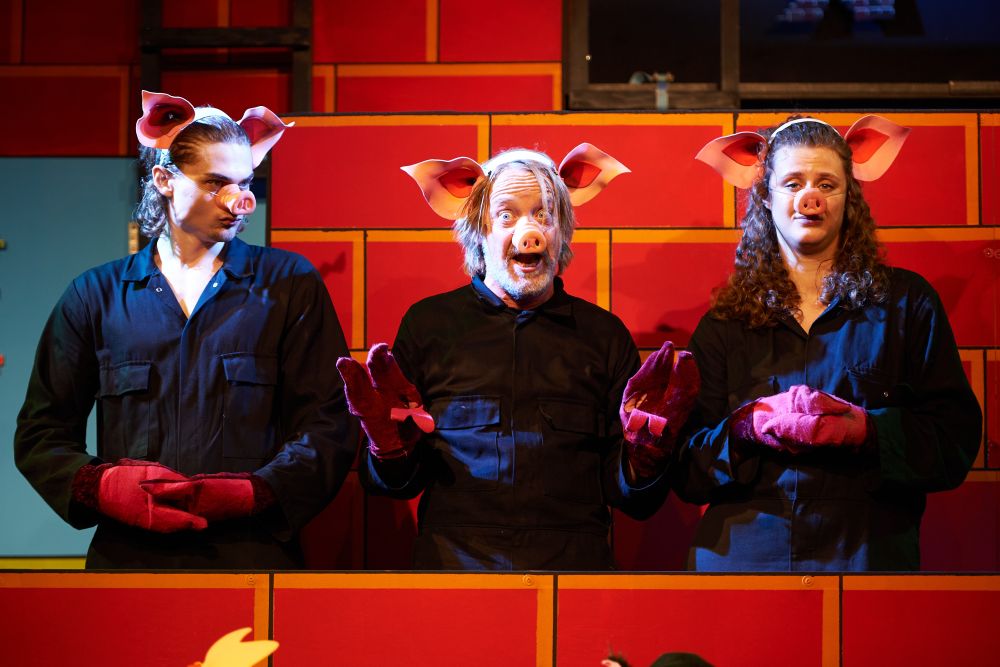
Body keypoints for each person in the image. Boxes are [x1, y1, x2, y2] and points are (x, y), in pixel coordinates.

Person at [14, 90, 358, 569]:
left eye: (245, 183)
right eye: (216, 183)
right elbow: (41, 435)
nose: (239, 202)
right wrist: (103, 487)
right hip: (129, 560)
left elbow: (330, 424)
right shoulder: (95, 295)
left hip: (250, 558)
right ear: (165, 180)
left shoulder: (288, 284)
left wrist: (255, 493)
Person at [336, 144, 699, 570]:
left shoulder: (604, 337)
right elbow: (394, 486)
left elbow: (636, 502)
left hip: (573, 574)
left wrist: (646, 457)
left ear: (562, 231)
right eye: (507, 216)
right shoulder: (428, 326)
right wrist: (389, 447)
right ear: (479, 229)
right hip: (456, 572)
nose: (531, 232)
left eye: (544, 215)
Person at [675, 115, 982, 571]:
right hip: (746, 568)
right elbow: (686, 471)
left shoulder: (907, 305)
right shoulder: (724, 324)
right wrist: (745, 430)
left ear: (848, 196)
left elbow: (953, 442)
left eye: (826, 184)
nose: (810, 198)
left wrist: (868, 431)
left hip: (865, 561)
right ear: (766, 197)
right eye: (792, 183)